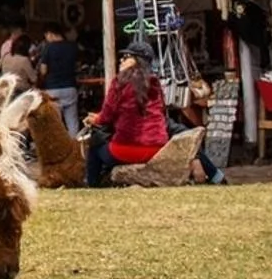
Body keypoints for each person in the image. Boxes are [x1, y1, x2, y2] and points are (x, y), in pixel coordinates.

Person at [84, 41, 224, 187]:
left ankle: (92, 185)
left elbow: (107, 117)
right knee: (178, 131)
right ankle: (217, 177)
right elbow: (159, 111)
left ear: (137, 60)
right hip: (155, 150)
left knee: (95, 147)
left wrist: (96, 119)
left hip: (125, 150)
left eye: (126, 56)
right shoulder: (155, 83)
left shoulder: (118, 82)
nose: (121, 60)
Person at [38, 23, 81, 136]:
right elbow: (77, 66)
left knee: (55, 124)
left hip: (53, 89)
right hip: (70, 88)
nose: (46, 39)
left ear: (50, 34)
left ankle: (58, 150)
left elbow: (43, 70)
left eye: (46, 36)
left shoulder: (49, 48)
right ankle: (75, 149)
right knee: (72, 123)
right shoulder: (72, 47)